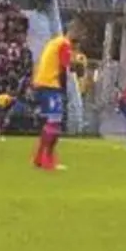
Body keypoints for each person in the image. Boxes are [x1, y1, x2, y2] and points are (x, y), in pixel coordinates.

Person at [30, 29, 74, 171]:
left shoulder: (54, 42)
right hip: (51, 85)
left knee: (50, 122)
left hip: (41, 83)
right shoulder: (65, 44)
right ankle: (48, 161)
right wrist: (64, 90)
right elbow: (63, 68)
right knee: (55, 123)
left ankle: (39, 158)